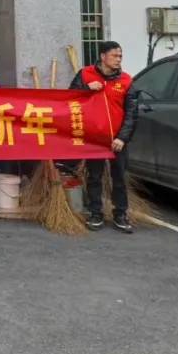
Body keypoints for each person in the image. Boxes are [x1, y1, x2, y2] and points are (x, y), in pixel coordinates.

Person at [70, 41, 137, 234]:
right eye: (114, 56)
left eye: (120, 56)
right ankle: (95, 213)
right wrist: (85, 88)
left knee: (119, 177)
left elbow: (132, 113)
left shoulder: (126, 81)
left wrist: (122, 138)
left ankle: (120, 214)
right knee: (94, 176)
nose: (118, 59)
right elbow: (70, 98)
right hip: (94, 137)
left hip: (117, 139)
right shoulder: (85, 74)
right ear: (102, 56)